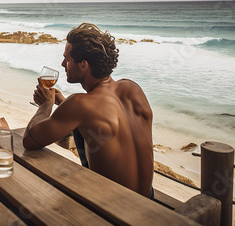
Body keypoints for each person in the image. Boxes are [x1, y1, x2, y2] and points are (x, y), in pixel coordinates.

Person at [23, 23, 154, 198]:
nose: (63, 64)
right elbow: (100, 117)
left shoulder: (80, 104)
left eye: (67, 59)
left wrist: (45, 105)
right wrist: (62, 102)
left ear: (83, 64)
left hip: (113, 209)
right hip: (148, 200)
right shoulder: (132, 89)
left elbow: (29, 140)